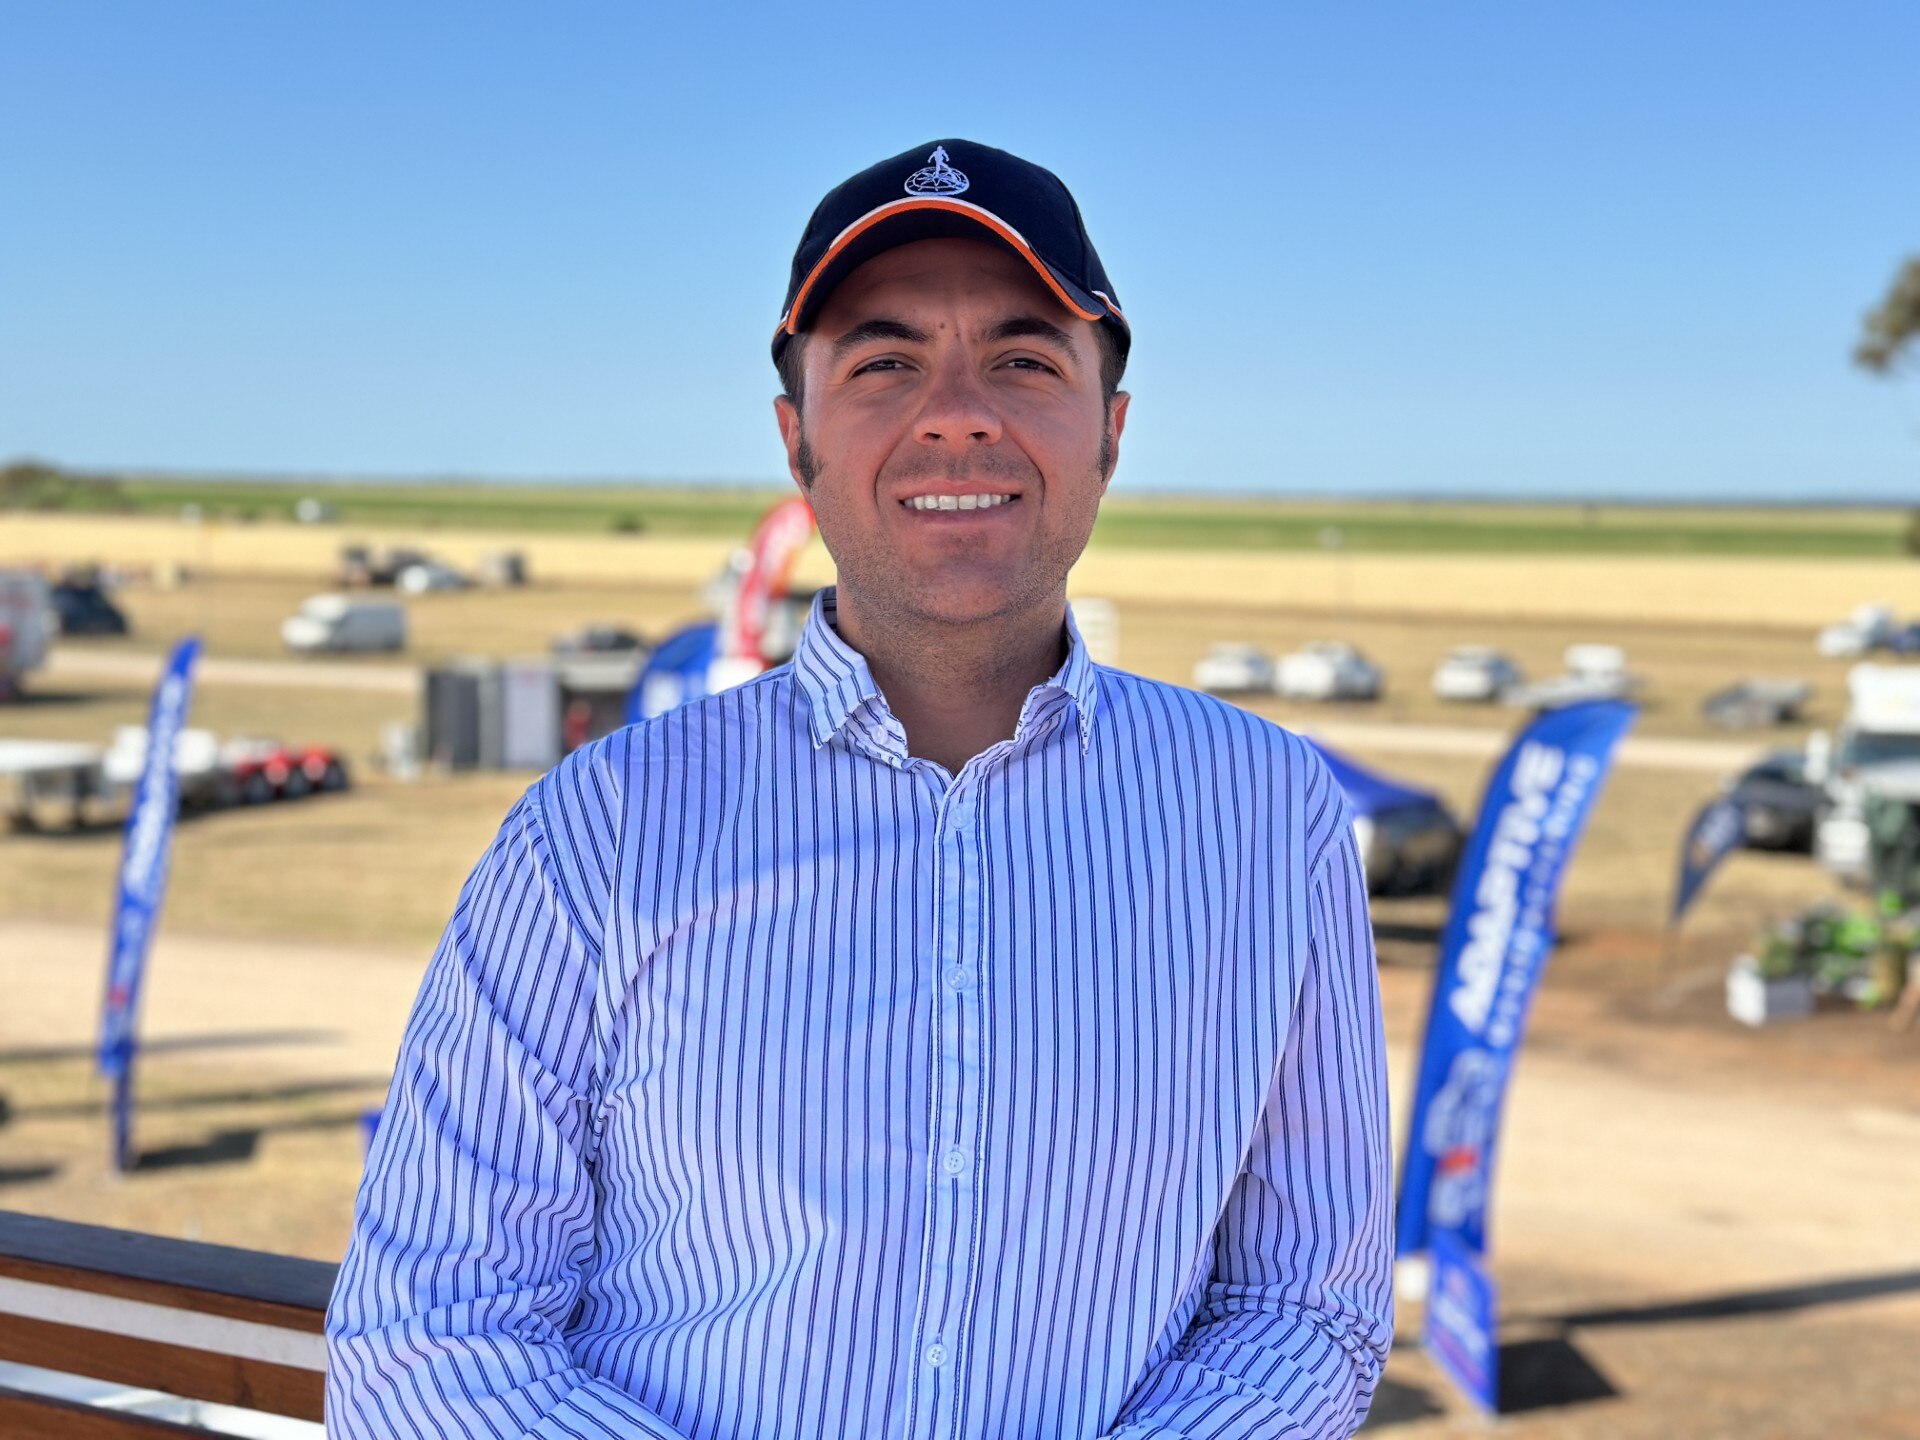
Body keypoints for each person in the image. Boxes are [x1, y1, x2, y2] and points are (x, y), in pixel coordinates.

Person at [326, 138, 1393, 1440]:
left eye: (1024, 357)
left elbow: (1305, 1308)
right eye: (886, 362)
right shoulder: (596, 834)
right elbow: (428, 1340)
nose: (957, 412)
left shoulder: (1269, 820)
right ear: (799, 439)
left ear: (1111, 431)